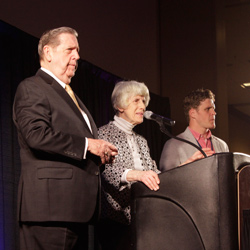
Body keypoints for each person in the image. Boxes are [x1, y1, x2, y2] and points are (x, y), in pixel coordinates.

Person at [12, 27, 118, 250]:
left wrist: (99, 155)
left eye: (78, 51)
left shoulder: (71, 96)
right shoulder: (32, 87)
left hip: (75, 210)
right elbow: (36, 135)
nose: (77, 56)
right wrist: (89, 145)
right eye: (70, 49)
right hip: (50, 211)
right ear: (48, 53)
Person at [97, 80, 160, 250]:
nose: (142, 106)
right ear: (120, 105)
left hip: (143, 219)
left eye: (143, 101)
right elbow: (107, 172)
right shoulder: (103, 134)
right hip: (115, 223)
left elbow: (154, 173)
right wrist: (138, 174)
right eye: (136, 101)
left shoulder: (141, 141)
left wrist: (184, 167)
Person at [159, 88, 229, 172]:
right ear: (192, 113)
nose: (214, 113)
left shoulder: (222, 145)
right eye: (208, 109)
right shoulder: (173, 145)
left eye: (213, 109)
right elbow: (167, 181)